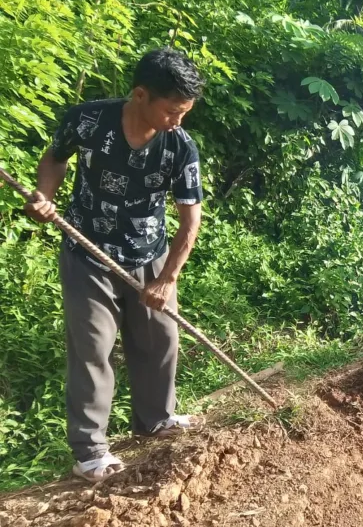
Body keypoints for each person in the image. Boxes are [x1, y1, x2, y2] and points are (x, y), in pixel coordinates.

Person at [22, 48, 206, 482]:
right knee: (93, 347)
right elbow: (55, 158)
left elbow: (189, 222)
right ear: (140, 95)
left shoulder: (179, 146)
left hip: (150, 254)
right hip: (88, 253)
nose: (177, 120)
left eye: (184, 112)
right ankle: (90, 452)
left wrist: (166, 279)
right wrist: (44, 196)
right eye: (171, 110)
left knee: (160, 340)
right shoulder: (88, 120)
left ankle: (156, 420)